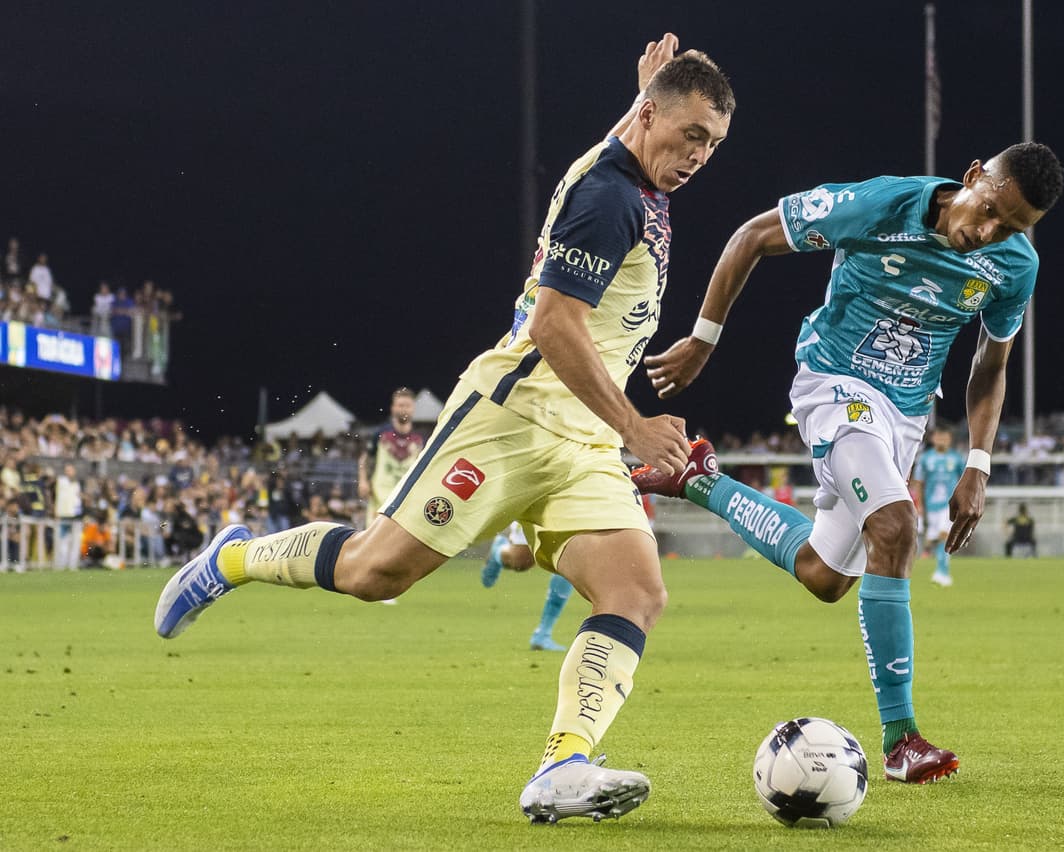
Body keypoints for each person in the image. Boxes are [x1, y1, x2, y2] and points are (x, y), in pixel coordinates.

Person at [155, 33, 734, 824]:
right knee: (372, 574)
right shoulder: (611, 198)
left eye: (713, 143)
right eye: (692, 134)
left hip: (582, 438)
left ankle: (563, 766)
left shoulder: (628, 166)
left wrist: (645, 94)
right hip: (511, 420)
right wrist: (636, 427)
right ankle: (237, 554)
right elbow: (555, 326)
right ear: (651, 114)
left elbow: (625, 144)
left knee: (634, 592)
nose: (701, 155)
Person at [635, 142, 1063, 784]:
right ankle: (902, 740)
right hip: (835, 386)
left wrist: (980, 461)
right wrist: (703, 338)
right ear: (973, 177)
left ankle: (700, 480)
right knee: (896, 525)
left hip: (906, 414)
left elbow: (989, 365)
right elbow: (753, 235)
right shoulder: (882, 204)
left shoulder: (1014, 265)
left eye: (1013, 227)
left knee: (824, 576)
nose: (990, 233)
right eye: (991, 211)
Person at [482, 522, 575, 652]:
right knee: (521, 561)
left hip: (574, 507)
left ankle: (543, 634)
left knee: (571, 555)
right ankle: (499, 551)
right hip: (536, 503)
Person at [358, 388, 426, 532]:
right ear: (393, 408)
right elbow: (365, 458)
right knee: (373, 539)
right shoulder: (380, 434)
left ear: (413, 408)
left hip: (406, 499)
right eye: (400, 405)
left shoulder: (420, 440)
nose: (404, 409)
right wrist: (363, 480)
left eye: (407, 405)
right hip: (379, 497)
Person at [911, 427, 965, 585]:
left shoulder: (957, 458)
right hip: (931, 504)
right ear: (933, 439)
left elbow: (964, 480)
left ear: (950, 439)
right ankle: (941, 568)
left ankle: (942, 573)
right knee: (935, 539)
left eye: (945, 437)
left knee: (944, 535)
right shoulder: (925, 458)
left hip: (949, 504)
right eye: (939, 437)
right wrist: (919, 505)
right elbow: (919, 483)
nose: (942, 440)